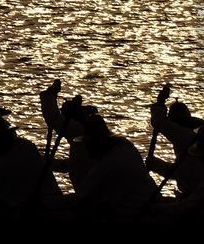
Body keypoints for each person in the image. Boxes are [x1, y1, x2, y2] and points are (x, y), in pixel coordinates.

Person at [40, 80, 157, 221]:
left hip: (131, 210)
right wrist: (53, 164)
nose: (88, 147)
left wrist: (43, 203)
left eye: (89, 144)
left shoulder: (78, 133)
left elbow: (81, 195)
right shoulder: (122, 145)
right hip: (135, 200)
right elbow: (78, 164)